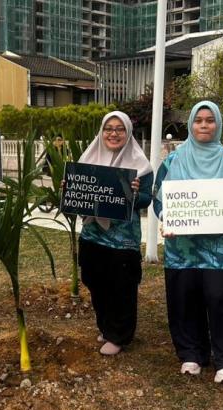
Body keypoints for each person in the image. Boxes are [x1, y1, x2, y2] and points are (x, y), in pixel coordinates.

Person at [153, 101, 223, 385]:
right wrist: (167, 217)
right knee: (184, 298)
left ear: (218, 124)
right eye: (198, 120)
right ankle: (191, 354)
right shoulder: (173, 161)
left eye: (210, 120)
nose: (204, 125)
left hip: (219, 250)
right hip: (181, 249)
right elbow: (159, 197)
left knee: (221, 299)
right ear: (190, 125)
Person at [76, 112, 153, 356]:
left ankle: (119, 335)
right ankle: (106, 326)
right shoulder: (88, 158)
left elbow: (146, 200)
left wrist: (135, 193)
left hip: (123, 240)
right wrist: (68, 190)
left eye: (120, 129)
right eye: (108, 128)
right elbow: (77, 195)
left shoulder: (141, 166)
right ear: (102, 131)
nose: (113, 133)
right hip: (92, 235)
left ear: (128, 133)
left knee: (121, 286)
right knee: (95, 281)